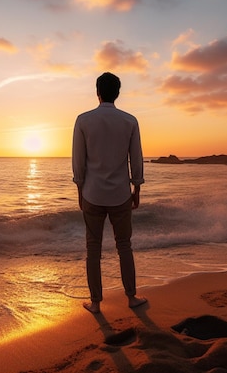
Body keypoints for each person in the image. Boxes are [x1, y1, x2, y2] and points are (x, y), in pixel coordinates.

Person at [72, 72, 147, 314]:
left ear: (98, 92)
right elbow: (136, 158)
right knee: (124, 245)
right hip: (120, 194)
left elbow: (78, 160)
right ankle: (132, 297)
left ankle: (95, 302)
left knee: (92, 248)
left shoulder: (83, 120)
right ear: (118, 93)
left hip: (93, 193)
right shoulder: (129, 121)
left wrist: (79, 189)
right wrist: (137, 187)